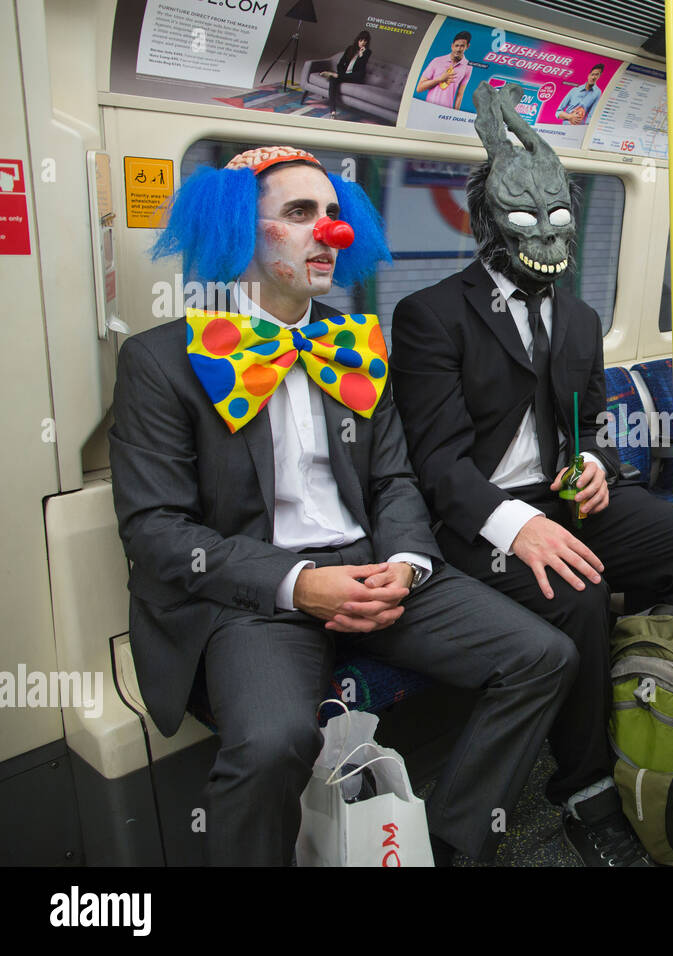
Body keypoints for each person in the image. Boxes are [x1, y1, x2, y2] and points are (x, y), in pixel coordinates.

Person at [109, 145, 577, 866]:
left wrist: (407, 563)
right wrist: (300, 585)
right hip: (257, 593)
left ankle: (452, 844)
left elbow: (394, 479)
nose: (331, 232)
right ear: (238, 230)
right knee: (271, 744)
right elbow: (157, 530)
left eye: (334, 214)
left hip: (373, 565)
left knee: (543, 655)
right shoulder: (160, 361)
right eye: (299, 214)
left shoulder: (355, 345)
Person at [390, 84, 673, 867]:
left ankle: (667, 700)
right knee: (573, 593)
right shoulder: (431, 317)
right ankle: (584, 784)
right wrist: (520, 524)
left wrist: (595, 464)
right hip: (479, 519)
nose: (551, 236)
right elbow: (436, 463)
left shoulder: (579, 317)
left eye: (560, 218)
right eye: (529, 219)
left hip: (566, 497)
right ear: (492, 225)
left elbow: (598, 423)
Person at [317, 30, 371, 118]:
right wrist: (341, 74)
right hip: (345, 75)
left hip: (356, 77)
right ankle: (333, 111)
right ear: (357, 40)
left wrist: (361, 55)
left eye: (365, 41)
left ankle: (335, 75)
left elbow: (361, 67)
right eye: (361, 40)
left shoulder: (367, 52)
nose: (363, 43)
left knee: (353, 75)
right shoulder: (350, 48)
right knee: (333, 80)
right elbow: (340, 64)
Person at [416, 31, 473, 110]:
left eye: (462, 46)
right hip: (427, 108)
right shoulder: (437, 61)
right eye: (456, 45)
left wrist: (455, 114)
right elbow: (419, 88)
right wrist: (440, 79)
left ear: (467, 46)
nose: (458, 49)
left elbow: (460, 94)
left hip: (445, 111)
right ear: (452, 46)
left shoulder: (468, 67)